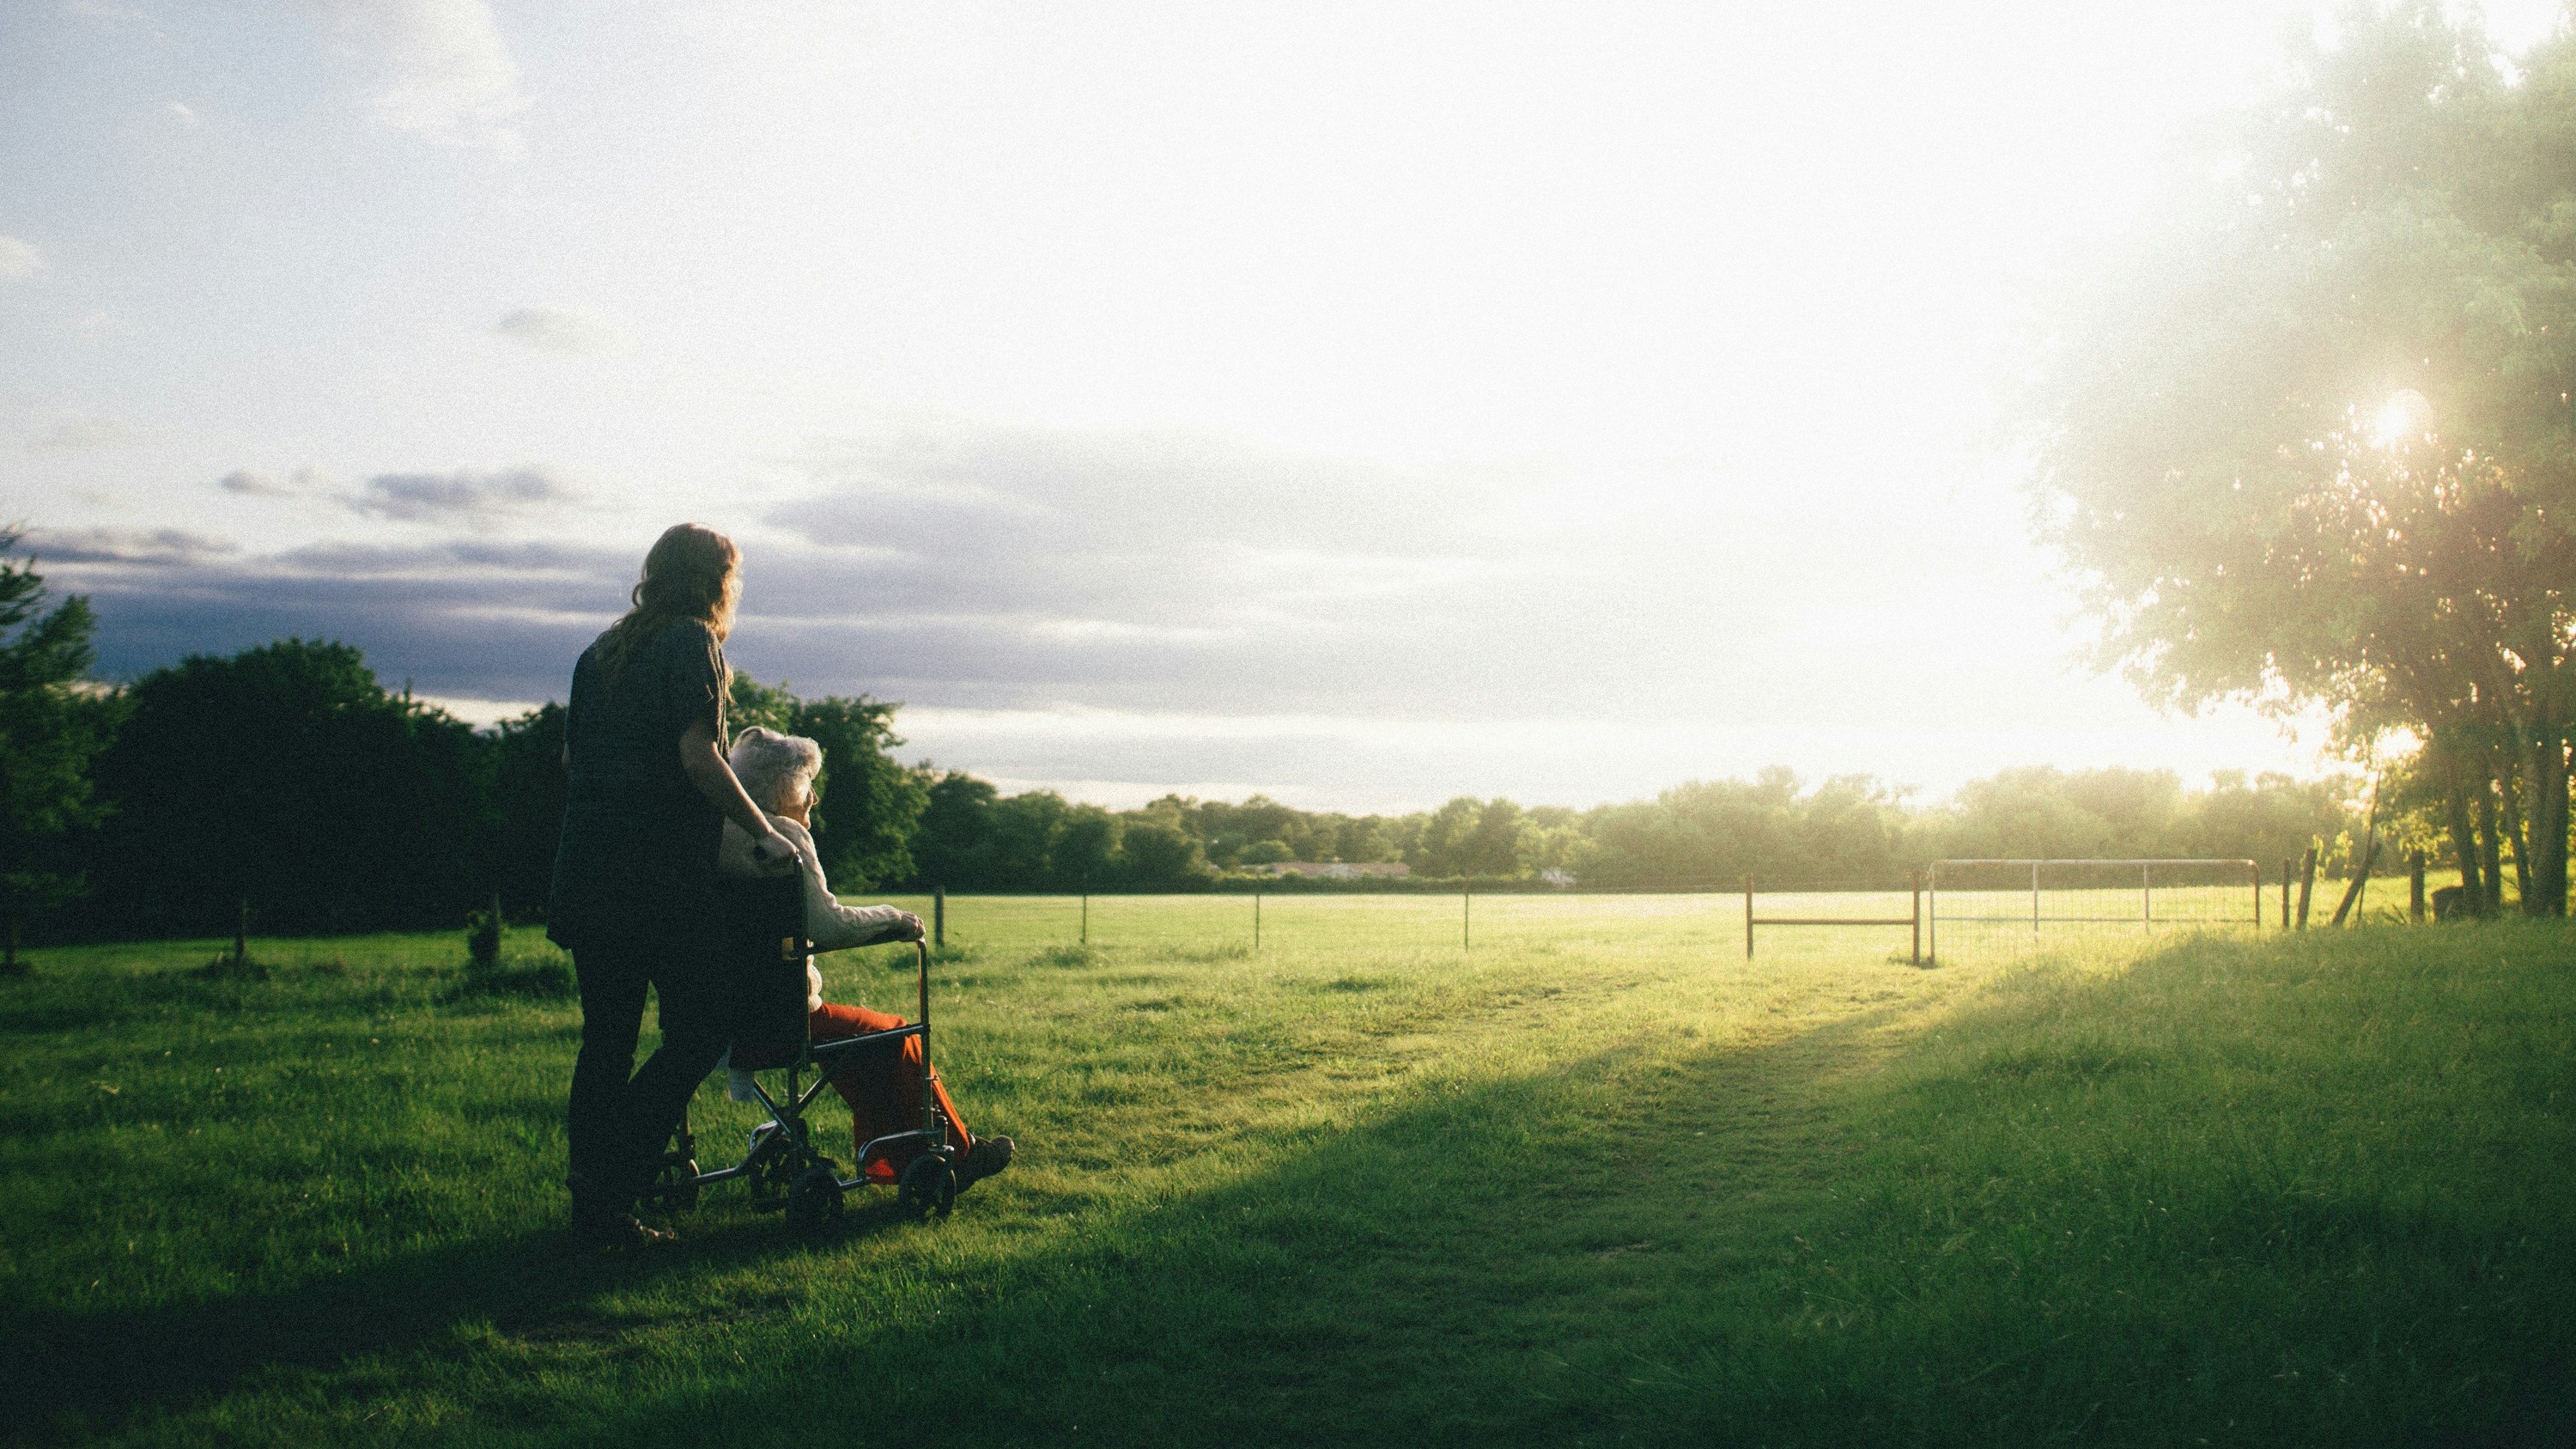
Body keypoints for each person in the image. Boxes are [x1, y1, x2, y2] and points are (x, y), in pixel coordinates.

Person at [546, 523, 801, 1248]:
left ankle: (594, 1205)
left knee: (607, 1041)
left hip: (587, 872)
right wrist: (763, 829)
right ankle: (611, 1177)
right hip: (654, 880)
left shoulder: (598, 653)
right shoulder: (694, 644)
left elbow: (574, 758)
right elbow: (700, 757)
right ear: (716, 580)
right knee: (701, 1028)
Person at [716, 727, 1015, 1190]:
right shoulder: (783, 836)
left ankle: (894, 1163)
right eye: (806, 781)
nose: (814, 795)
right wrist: (893, 918)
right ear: (781, 786)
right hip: (783, 1018)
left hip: (722, 1018)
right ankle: (958, 1153)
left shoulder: (717, 835)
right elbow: (829, 926)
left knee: (860, 1043)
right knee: (896, 1034)